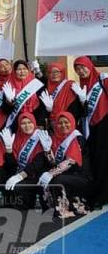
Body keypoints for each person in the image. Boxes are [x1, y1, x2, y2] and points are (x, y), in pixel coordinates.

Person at [40, 112, 93, 217]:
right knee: (45, 177)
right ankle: (53, 206)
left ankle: (66, 209)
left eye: (66, 122)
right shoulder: (56, 138)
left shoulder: (77, 138)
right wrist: (47, 150)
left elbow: (70, 162)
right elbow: (53, 162)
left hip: (81, 176)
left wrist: (51, 173)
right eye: (60, 123)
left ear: (72, 122)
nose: (63, 125)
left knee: (57, 179)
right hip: (66, 174)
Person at [73, 56, 108, 208]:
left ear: (90, 65)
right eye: (77, 69)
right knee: (94, 161)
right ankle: (99, 194)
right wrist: (81, 101)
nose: (81, 71)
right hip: (90, 128)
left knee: (103, 161)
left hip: (105, 125)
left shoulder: (103, 80)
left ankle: (101, 196)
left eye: (83, 67)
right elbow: (82, 112)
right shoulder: (80, 86)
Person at [2, 112, 53, 209]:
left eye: (29, 122)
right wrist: (8, 149)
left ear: (34, 122)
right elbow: (12, 165)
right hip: (21, 171)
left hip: (36, 174)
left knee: (17, 188)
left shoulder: (41, 136)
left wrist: (20, 176)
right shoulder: (17, 137)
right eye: (23, 123)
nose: (27, 126)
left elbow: (38, 164)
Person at [39, 62, 84, 133]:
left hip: (69, 124)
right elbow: (42, 110)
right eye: (51, 72)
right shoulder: (46, 88)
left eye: (57, 72)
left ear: (62, 72)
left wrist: (83, 100)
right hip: (53, 126)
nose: (54, 74)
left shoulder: (71, 85)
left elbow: (78, 108)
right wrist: (49, 110)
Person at [2, 60, 46, 132]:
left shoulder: (36, 84)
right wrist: (9, 103)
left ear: (28, 70)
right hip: (16, 123)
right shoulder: (8, 86)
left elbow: (42, 106)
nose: (22, 71)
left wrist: (40, 122)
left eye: (24, 69)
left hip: (35, 120)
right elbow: (4, 111)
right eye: (19, 69)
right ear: (14, 71)